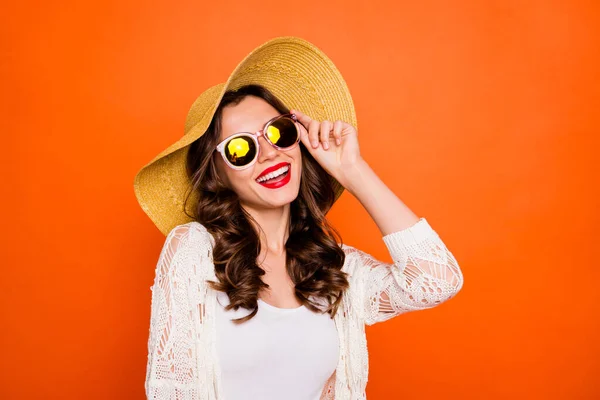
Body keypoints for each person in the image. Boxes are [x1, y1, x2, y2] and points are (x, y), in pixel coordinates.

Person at [134, 36, 464, 400]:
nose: (270, 154)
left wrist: (353, 170)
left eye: (279, 132)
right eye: (241, 148)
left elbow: (437, 281)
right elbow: (170, 391)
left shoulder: (335, 270)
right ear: (217, 172)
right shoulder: (194, 250)